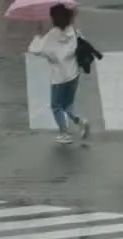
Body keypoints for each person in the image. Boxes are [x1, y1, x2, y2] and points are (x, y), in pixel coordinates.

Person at [28, 4, 90, 145]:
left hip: (59, 78)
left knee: (56, 106)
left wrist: (38, 34)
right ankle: (80, 121)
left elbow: (36, 50)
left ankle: (64, 133)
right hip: (73, 74)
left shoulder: (52, 36)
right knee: (68, 104)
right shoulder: (72, 31)